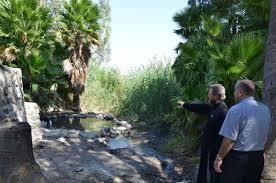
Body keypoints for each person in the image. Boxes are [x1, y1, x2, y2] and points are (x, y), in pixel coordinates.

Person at [214, 80, 272, 183]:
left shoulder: (235, 110)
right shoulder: (265, 109)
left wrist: (219, 158)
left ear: (240, 92)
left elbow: (229, 140)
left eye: (235, 90)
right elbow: (267, 135)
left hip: (238, 160)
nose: (234, 93)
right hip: (257, 158)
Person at [177, 84, 228, 183]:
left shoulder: (223, 111)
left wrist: (219, 155)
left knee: (212, 175)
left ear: (216, 96)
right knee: (204, 173)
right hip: (208, 148)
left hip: (214, 151)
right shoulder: (213, 107)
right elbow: (200, 107)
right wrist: (185, 104)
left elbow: (226, 136)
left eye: (209, 94)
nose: (208, 96)